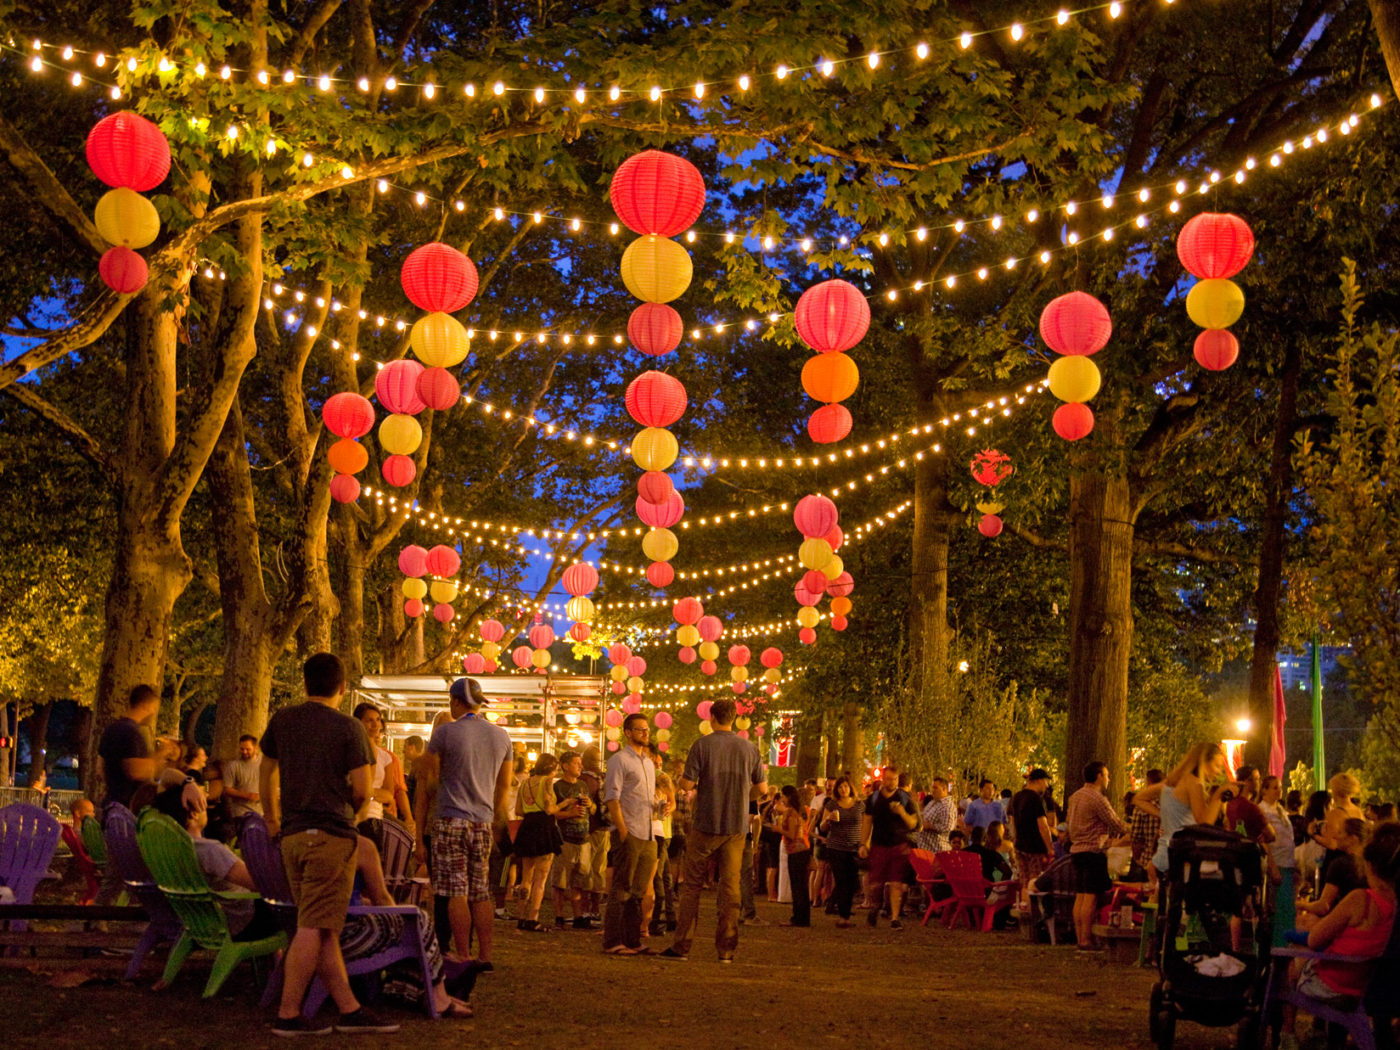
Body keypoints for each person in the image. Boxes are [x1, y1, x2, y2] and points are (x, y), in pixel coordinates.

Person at [259, 652, 398, 1036]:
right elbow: (362, 788)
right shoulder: (349, 729)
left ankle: (349, 1008)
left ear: (305, 683)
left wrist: (272, 816)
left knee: (322, 926)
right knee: (313, 925)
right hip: (330, 835)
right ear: (341, 687)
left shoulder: (283, 720)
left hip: (293, 836)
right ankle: (288, 1013)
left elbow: (266, 770)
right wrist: (352, 817)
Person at [417, 678, 513, 971]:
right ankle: (486, 955)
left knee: (456, 891)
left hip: (450, 818)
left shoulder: (445, 733)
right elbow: (504, 786)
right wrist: (496, 820)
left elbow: (423, 773)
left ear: (456, 702)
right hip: (482, 822)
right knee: (481, 891)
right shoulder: (501, 737)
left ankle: (463, 953)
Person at [661, 698, 767, 962]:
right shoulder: (750, 748)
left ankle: (682, 945)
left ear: (712, 718)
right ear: (734, 718)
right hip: (735, 827)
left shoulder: (702, 745)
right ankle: (726, 949)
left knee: (692, 887)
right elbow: (762, 790)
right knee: (730, 889)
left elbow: (686, 784)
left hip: (705, 824)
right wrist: (744, 796)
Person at [1278, 823, 1400, 1050]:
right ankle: (1314, 1032)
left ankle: (1287, 1033)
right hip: (1364, 981)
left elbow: (1315, 939)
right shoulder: (1393, 903)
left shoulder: (1360, 899)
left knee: (1289, 962)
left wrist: (1306, 929)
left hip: (1333, 983)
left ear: (1369, 865)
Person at [602, 713, 657, 955]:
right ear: (628, 732)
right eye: (640, 729)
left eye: (647, 729)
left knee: (638, 890)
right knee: (621, 888)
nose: (645, 733)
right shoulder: (619, 761)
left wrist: (658, 807)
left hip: (648, 833)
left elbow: (643, 797)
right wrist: (622, 831)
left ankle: (632, 939)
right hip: (630, 831)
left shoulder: (648, 763)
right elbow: (612, 798)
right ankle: (613, 941)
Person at [1066, 760, 1129, 951]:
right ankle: (1086, 940)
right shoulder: (1097, 798)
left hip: (1076, 851)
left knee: (1081, 896)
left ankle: (1079, 937)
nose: (1109, 779)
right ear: (1099, 776)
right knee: (1091, 897)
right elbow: (1116, 823)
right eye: (1107, 775)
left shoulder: (1074, 797)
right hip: (1093, 851)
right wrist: (1132, 829)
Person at [1150, 742, 1234, 883]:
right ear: (1204, 762)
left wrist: (1160, 813)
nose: (1219, 772)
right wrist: (1218, 796)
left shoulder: (1176, 783)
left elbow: (1139, 798)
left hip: (1167, 850)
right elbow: (1204, 823)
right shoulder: (1194, 783)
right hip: (1179, 853)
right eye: (1217, 766)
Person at [859, 766, 918, 930]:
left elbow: (914, 824)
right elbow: (867, 822)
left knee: (896, 883)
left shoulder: (905, 798)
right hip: (879, 845)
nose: (891, 782)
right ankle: (875, 905)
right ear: (883, 779)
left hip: (899, 845)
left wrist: (901, 812)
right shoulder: (874, 798)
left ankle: (894, 918)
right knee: (875, 883)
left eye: (894, 779)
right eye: (888, 779)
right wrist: (863, 843)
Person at [353, 704, 413, 852]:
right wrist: (373, 793)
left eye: (378, 719)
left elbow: (389, 794)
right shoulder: (350, 751)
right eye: (369, 720)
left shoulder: (386, 757)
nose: (375, 725)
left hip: (373, 816)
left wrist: (366, 792)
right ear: (358, 722)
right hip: (352, 817)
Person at [512, 753, 562, 932]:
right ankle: (533, 918)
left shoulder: (525, 782)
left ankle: (521, 917)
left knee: (526, 877)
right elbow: (549, 809)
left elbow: (518, 809)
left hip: (527, 827)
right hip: (544, 828)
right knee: (540, 879)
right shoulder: (547, 782)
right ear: (551, 768)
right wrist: (565, 805)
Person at [549, 750, 595, 929]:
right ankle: (559, 916)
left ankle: (578, 916)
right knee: (560, 880)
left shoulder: (582, 785)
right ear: (565, 766)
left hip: (583, 838)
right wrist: (569, 813)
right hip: (564, 838)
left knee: (579, 880)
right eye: (576, 763)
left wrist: (590, 806)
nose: (580, 766)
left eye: (581, 763)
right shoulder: (557, 787)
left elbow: (594, 810)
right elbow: (551, 813)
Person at [98, 684, 158, 811]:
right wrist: (161, 756)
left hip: (111, 803)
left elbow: (100, 768)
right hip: (127, 809)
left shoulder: (111, 729)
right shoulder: (132, 733)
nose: (153, 712)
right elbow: (135, 771)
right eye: (153, 707)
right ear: (145, 705)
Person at [1298, 818, 1369, 924]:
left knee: (1300, 924)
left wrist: (1301, 905)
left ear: (1352, 839)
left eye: (1340, 832)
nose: (1335, 836)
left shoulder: (1340, 865)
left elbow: (1323, 906)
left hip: (1342, 925)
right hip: (1368, 926)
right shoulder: (1373, 864)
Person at [820, 776, 863, 927]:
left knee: (852, 882)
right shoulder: (832, 805)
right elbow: (822, 827)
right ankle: (843, 916)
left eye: (845, 786)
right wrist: (828, 820)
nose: (843, 789)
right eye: (840, 787)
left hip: (854, 847)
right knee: (841, 880)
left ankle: (836, 905)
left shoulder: (859, 805)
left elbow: (866, 824)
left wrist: (865, 844)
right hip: (836, 847)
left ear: (851, 788)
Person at [1010, 769, 1056, 907]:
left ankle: (1025, 910)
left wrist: (1016, 841)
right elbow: (1043, 826)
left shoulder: (1017, 797)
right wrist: (1050, 848)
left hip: (1020, 846)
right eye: (1046, 782)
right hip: (1035, 847)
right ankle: (1034, 913)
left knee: (1024, 881)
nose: (1047, 786)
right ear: (1040, 780)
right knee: (1036, 881)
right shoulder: (1035, 799)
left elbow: (1012, 823)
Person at [578, 745, 609, 925]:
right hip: (604, 827)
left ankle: (585, 909)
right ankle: (596, 909)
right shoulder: (605, 777)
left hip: (589, 828)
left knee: (586, 869)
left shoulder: (585, 780)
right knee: (599, 870)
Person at [779, 784, 812, 928]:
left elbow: (791, 834)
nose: (781, 799)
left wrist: (777, 829)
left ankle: (799, 917)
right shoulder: (800, 811)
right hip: (803, 849)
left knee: (797, 885)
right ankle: (803, 917)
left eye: (783, 796)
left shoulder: (791, 813)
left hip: (796, 851)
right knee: (802, 886)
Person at [1225, 764, 1276, 846]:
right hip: (1249, 852)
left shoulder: (1230, 804)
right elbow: (1271, 835)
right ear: (1247, 782)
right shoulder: (1251, 808)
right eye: (1256, 779)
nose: (1259, 783)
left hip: (1234, 851)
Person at [222, 734, 263, 820]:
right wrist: (248, 795)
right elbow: (227, 789)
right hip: (241, 813)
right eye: (242, 749)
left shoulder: (264, 763)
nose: (244, 752)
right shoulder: (233, 765)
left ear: (255, 748)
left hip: (262, 813)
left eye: (248, 749)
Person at [916, 776, 955, 853]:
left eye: (935, 788)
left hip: (937, 851)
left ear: (944, 789)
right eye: (932, 788)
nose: (932, 790)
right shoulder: (933, 802)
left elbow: (948, 827)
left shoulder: (947, 806)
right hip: (925, 849)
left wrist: (929, 826)